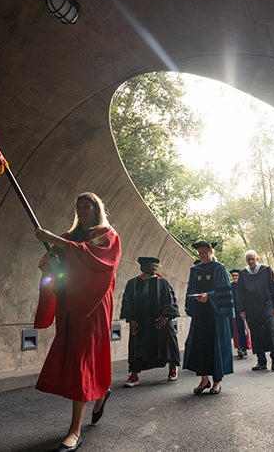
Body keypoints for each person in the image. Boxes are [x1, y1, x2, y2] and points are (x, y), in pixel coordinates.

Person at [34, 192, 122, 451]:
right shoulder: (69, 236)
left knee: (83, 359)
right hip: (69, 304)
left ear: (97, 209)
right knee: (75, 357)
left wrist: (54, 240)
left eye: (87, 206)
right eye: (79, 207)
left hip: (92, 304)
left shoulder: (106, 234)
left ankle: (75, 431)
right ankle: (101, 389)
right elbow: (56, 266)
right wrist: (53, 255)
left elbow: (97, 262)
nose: (82, 211)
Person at [120, 256, 181, 387]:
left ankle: (172, 368)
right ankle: (134, 375)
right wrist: (130, 319)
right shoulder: (133, 283)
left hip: (160, 322)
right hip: (140, 322)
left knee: (168, 344)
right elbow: (127, 302)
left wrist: (166, 316)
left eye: (155, 267)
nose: (153, 269)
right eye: (150, 267)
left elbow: (170, 300)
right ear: (142, 268)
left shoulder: (162, 282)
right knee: (137, 347)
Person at [183, 240, 234, 395]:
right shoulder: (195, 270)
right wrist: (195, 297)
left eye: (205, 252)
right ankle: (204, 380)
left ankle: (217, 381)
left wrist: (209, 296)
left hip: (216, 315)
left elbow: (224, 291)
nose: (202, 255)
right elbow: (191, 288)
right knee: (200, 346)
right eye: (200, 252)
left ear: (211, 252)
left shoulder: (219, 268)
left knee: (215, 346)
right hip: (201, 314)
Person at [237, 250, 274, 371]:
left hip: (266, 306)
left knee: (271, 331)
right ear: (246, 261)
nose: (251, 261)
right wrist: (241, 310)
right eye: (248, 259)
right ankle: (261, 362)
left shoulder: (266, 270)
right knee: (256, 335)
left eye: (253, 259)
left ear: (257, 259)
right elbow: (240, 294)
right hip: (251, 308)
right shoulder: (243, 274)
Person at [229, 268, 251, 359]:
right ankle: (240, 347)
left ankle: (244, 347)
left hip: (243, 311)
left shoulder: (243, 285)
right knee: (237, 330)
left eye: (236, 275)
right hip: (234, 310)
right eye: (233, 275)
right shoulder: (230, 286)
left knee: (244, 329)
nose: (234, 277)